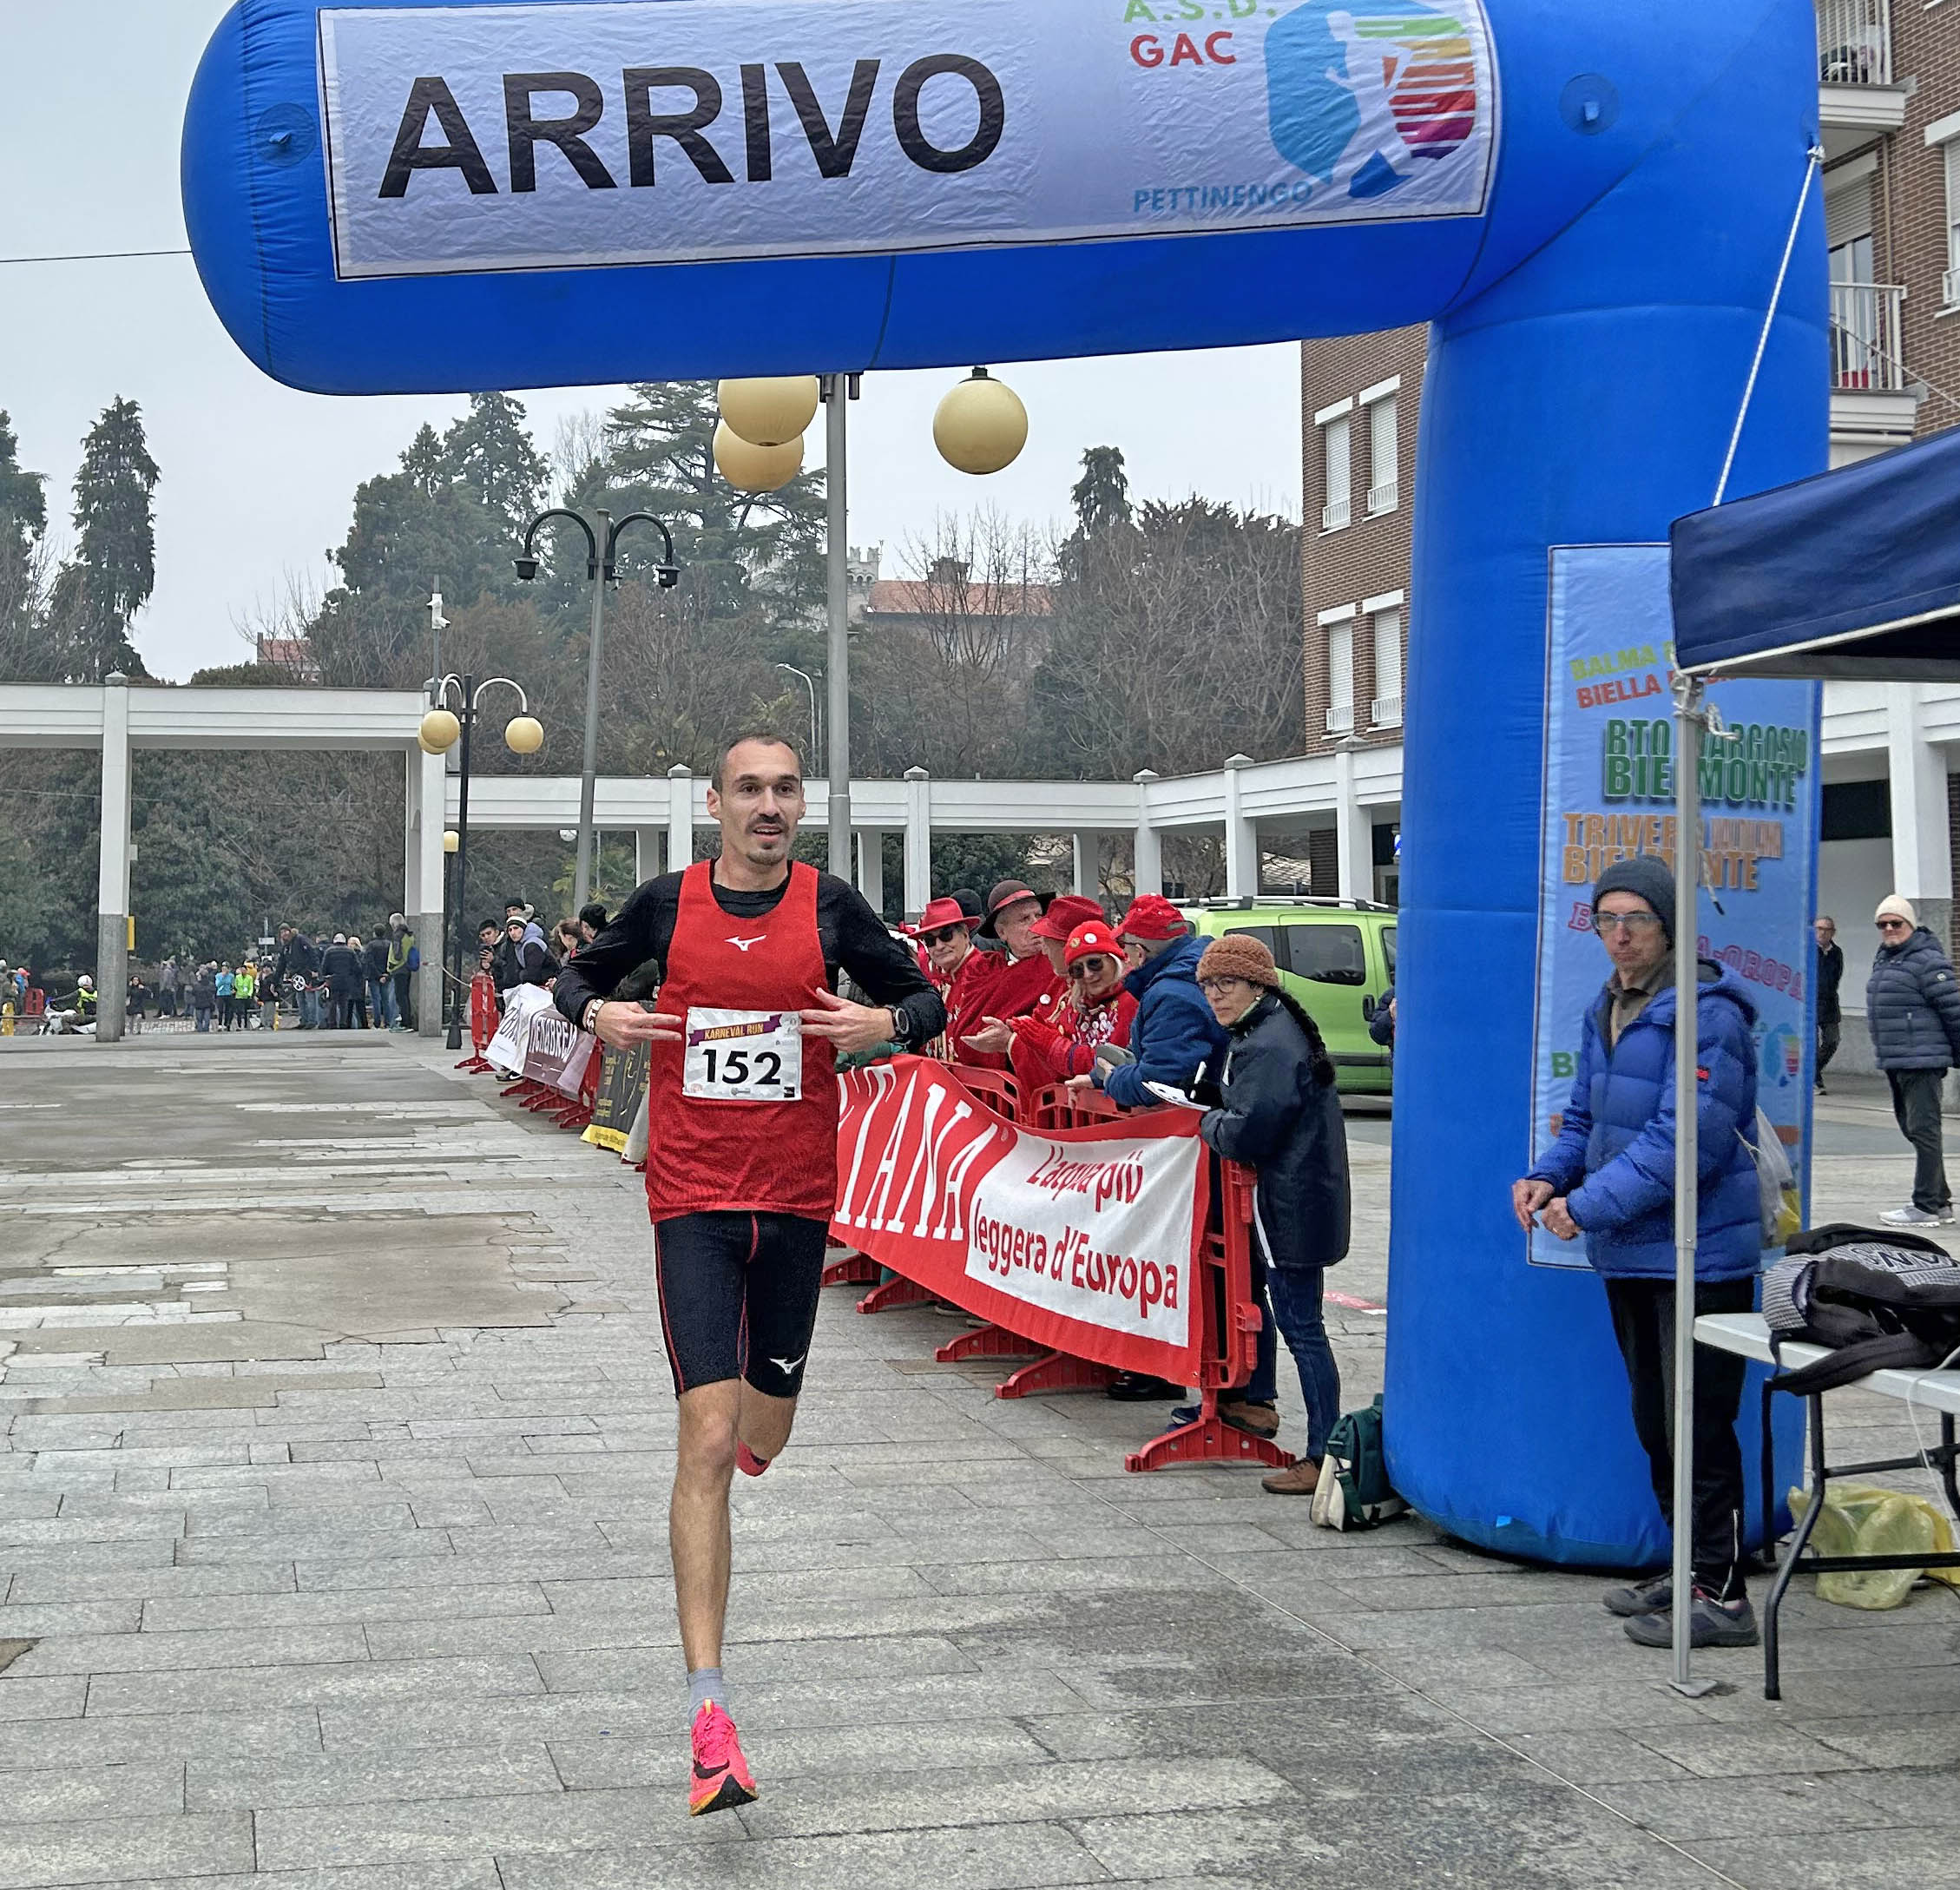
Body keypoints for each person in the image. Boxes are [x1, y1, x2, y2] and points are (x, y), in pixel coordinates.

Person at [553, 728, 945, 1818]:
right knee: (708, 1439)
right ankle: (709, 1712)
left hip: (797, 1201)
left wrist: (881, 1022)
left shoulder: (830, 906)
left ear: (799, 804)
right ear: (713, 802)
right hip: (691, 1199)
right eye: (748, 790)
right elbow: (570, 974)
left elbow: (926, 999)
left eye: (783, 790)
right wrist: (602, 1010)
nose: (766, 807)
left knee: (763, 1430)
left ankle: (757, 1431)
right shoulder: (663, 903)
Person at [1513, 855, 1762, 1650]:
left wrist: (1582, 1207)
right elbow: (1584, 1116)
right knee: (1658, 1422)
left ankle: (1723, 1594)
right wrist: (1548, 1175)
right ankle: (1688, 1561)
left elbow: (1684, 1143)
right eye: (1606, 919)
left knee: (1701, 1423)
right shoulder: (1610, 1005)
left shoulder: (1709, 1016)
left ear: (1672, 927)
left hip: (1700, 1256)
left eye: (1637, 920)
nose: (1619, 936)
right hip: (1633, 1254)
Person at [1194, 935, 1350, 1491]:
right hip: (1297, 1200)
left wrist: (1206, 1120)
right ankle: (1290, 1425)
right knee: (1298, 1322)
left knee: (1303, 1328)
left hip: (1290, 1205)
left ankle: (1324, 1455)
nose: (1216, 995)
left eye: (1226, 984)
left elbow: (1247, 1131)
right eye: (1209, 985)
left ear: (1258, 984)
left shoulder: (1266, 1043)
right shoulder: (1269, 1029)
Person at [1081, 895, 1229, 1109]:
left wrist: (1112, 1079)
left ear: (1140, 953)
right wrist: (1096, 1078)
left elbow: (1159, 1081)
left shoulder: (1171, 996)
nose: (1124, 955)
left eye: (1126, 946)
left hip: (1204, 1126)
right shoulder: (1198, 971)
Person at [1865, 894, 1960, 1226]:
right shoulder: (1889, 958)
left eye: (1896, 923)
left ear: (1911, 925)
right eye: (1883, 924)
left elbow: (1954, 1010)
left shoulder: (1926, 961)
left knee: (1924, 1130)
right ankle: (1941, 1201)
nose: (1889, 929)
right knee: (1915, 1129)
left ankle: (1924, 1206)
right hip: (1898, 1059)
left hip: (1921, 1060)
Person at [996, 920, 1137, 1087]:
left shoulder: (1131, 999)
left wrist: (1053, 1045)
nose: (1088, 974)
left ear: (1114, 960)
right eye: (1077, 970)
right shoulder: (1079, 1003)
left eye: (1094, 963)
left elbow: (1115, 1063)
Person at [1812, 917, 1843, 1095]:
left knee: (1832, 1041)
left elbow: (1836, 977)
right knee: (1812, 1044)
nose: (1823, 932)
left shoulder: (1836, 952)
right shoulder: (1808, 950)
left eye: (1827, 929)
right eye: (1819, 928)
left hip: (1829, 1004)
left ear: (1833, 933)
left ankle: (1811, 1073)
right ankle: (1815, 1080)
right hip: (1810, 1002)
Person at [319, 932, 361, 1030]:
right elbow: (357, 967)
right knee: (344, 1003)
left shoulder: (329, 951)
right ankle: (343, 1023)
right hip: (346, 980)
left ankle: (332, 1023)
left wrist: (325, 977)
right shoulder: (350, 952)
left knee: (333, 1002)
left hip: (333, 980)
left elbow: (324, 966)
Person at [385, 915, 416, 1031]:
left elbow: (397, 954)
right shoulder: (409, 935)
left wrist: (391, 965)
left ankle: (404, 1022)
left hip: (398, 968)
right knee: (405, 996)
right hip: (407, 967)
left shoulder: (398, 935)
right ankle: (407, 1020)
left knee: (399, 997)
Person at [363, 930, 392, 1029]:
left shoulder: (371, 945)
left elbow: (370, 962)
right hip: (386, 975)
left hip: (374, 977)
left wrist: (378, 975)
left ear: (374, 933)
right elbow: (391, 959)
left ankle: (377, 1022)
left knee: (376, 999)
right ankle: (388, 1022)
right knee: (386, 1000)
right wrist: (386, 975)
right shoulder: (389, 944)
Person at [192, 962, 217, 1033]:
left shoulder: (196, 985)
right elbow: (214, 992)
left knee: (199, 1020)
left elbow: (193, 993)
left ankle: (200, 1030)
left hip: (199, 1004)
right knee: (207, 1019)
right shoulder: (211, 985)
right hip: (208, 1004)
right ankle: (206, 1030)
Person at [214, 963, 236, 1031]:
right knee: (220, 1010)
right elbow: (217, 984)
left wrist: (233, 990)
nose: (224, 970)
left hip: (228, 994)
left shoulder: (231, 976)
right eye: (223, 968)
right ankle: (220, 1024)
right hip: (220, 994)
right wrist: (223, 977)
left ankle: (227, 1024)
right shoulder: (218, 976)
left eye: (226, 968)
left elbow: (233, 984)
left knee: (228, 1010)